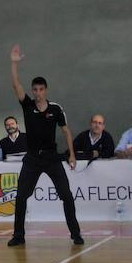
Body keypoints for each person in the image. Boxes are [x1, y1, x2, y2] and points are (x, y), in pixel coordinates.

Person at [7, 45, 82, 247]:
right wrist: (14, 63)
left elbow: (66, 131)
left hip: (51, 158)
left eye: (41, 89)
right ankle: (18, 235)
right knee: (21, 196)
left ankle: (76, 234)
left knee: (66, 195)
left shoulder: (56, 109)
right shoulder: (28, 105)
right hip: (32, 159)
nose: (38, 93)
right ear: (32, 91)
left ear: (46, 90)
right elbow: (16, 84)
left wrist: (72, 155)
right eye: (35, 90)